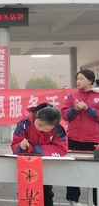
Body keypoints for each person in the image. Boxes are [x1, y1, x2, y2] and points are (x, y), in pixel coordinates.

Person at [12, 103, 68, 206]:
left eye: (47, 129)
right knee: (26, 192)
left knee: (46, 192)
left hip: (45, 163)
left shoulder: (59, 128)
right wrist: (21, 147)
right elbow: (15, 144)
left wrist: (37, 150)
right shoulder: (24, 123)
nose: (42, 129)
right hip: (25, 163)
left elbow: (62, 149)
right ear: (36, 116)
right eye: (40, 125)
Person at [61, 69, 99, 206]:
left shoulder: (97, 96)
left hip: (93, 140)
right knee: (72, 168)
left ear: (90, 80)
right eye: (77, 78)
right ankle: (73, 199)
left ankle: (96, 200)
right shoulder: (72, 96)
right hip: (74, 139)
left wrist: (87, 109)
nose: (78, 81)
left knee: (94, 171)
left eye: (81, 78)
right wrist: (75, 109)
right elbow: (65, 115)